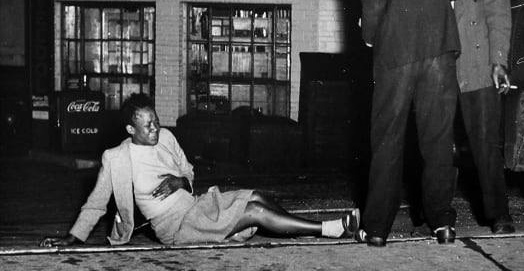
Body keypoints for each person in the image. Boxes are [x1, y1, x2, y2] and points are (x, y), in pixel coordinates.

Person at [39, 93, 359, 248]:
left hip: (196, 206)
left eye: (155, 120)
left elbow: (190, 173)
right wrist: (71, 239)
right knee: (256, 212)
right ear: (130, 129)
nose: (155, 127)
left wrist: (180, 180)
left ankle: (299, 227)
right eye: (146, 124)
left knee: (257, 197)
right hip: (176, 228)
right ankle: (329, 229)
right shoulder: (117, 158)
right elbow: (96, 203)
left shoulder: (166, 137)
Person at [352, 0, 471, 247]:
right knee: (437, 140)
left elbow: (373, 3)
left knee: (387, 140)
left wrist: (370, 38)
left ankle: (376, 229)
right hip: (439, 51)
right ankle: (443, 223)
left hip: (396, 53)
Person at [412, 0, 515, 234]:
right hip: (436, 65)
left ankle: (499, 214)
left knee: (486, 143)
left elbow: (498, 10)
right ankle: (435, 216)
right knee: (434, 145)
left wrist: (498, 61)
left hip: (476, 62)